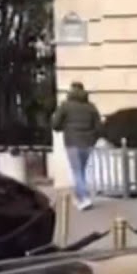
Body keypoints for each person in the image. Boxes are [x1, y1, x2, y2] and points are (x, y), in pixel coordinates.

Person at [50, 81, 101, 211]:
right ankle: (80, 198)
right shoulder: (91, 107)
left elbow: (55, 124)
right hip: (87, 143)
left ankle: (84, 198)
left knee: (77, 172)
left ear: (71, 91)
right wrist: (92, 139)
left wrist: (64, 127)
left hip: (72, 142)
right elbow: (99, 127)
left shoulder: (65, 106)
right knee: (81, 171)